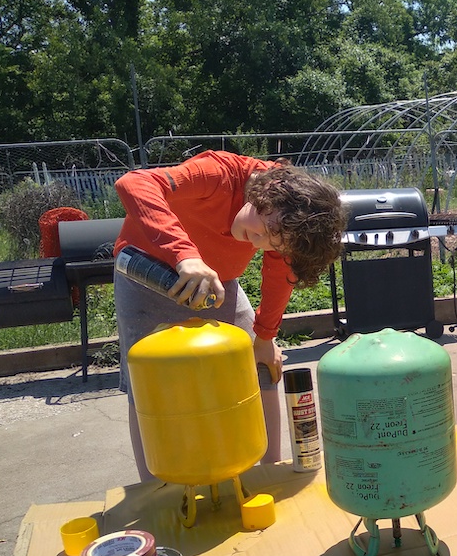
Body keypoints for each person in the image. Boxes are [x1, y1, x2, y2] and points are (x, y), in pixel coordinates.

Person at [113, 150, 344, 481]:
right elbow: (134, 182)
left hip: (216, 283)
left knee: (262, 364)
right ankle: (156, 492)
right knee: (147, 385)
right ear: (263, 196)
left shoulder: (286, 221)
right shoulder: (219, 173)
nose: (259, 242)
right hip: (146, 273)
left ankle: (269, 473)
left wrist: (265, 337)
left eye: (272, 243)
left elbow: (279, 275)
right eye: (262, 229)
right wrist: (184, 254)